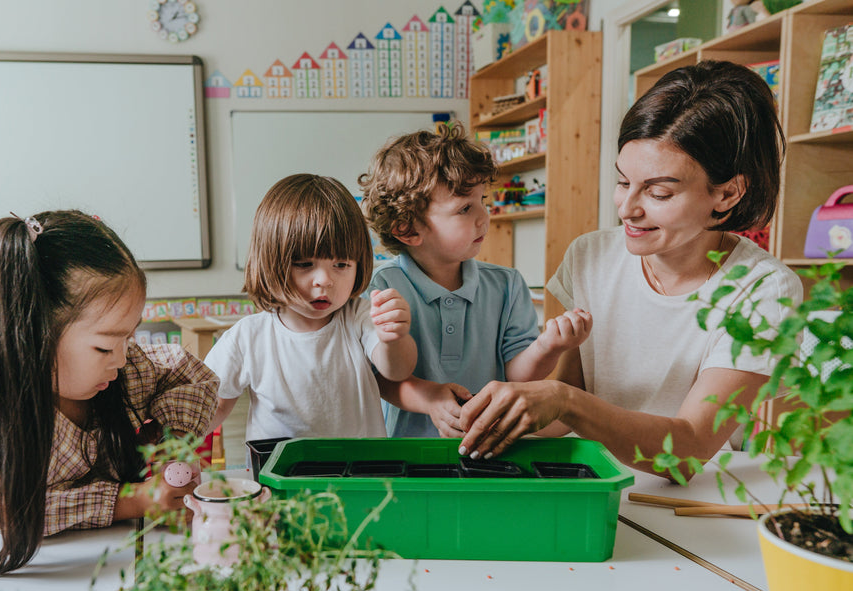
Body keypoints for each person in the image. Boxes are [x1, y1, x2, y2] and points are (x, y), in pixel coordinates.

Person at [458, 60, 803, 477]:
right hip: (598, 482)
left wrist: (563, 400)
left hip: (695, 500)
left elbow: (687, 451)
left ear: (728, 193)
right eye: (623, 182)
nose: (627, 209)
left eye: (658, 192)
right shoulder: (591, 257)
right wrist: (492, 417)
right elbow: (568, 402)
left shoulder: (764, 289)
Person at [0, 210, 219, 578]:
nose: (121, 359)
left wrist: (171, 442)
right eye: (104, 348)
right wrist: (136, 500)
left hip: (104, 551)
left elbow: (191, 376)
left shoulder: (124, 369)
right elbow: (5, 514)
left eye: (128, 338)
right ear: (34, 334)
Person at [358, 123, 592, 438]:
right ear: (408, 230)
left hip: (491, 446)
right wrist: (429, 398)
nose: (484, 215)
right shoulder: (380, 290)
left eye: (483, 200)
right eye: (465, 208)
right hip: (408, 458)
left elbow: (517, 375)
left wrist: (549, 346)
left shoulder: (507, 285)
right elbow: (378, 378)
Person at [203, 174, 416, 443]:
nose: (324, 280)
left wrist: (393, 338)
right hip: (280, 480)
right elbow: (214, 404)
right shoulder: (248, 336)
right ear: (270, 262)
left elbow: (397, 371)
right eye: (304, 264)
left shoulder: (359, 317)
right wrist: (172, 440)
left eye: (341, 265)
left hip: (362, 478)